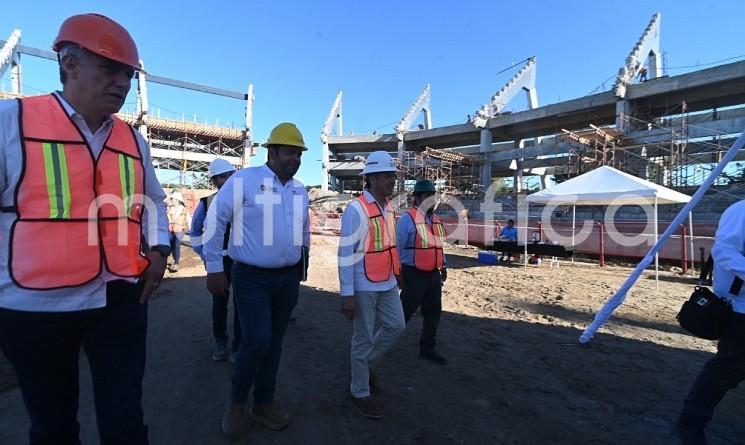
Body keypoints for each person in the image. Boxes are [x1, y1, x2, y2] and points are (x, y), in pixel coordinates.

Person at [0, 14, 169, 444]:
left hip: (118, 297)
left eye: (128, 75)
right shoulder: (11, 122)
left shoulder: (133, 140)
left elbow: (154, 202)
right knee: (53, 427)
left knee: (126, 421)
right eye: (109, 69)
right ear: (69, 62)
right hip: (34, 306)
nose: (121, 83)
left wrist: (159, 251)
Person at [205, 122, 310, 438]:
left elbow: (303, 229)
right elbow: (216, 220)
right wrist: (214, 268)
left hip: (287, 279)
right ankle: (237, 403)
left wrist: (303, 262)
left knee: (275, 342)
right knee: (257, 340)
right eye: (290, 153)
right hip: (251, 277)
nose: (295, 159)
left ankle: (263, 403)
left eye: (299, 154)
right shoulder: (244, 180)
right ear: (272, 151)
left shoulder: (300, 189)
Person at [338, 150, 406, 420]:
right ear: (372, 178)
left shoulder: (388, 206)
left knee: (396, 325)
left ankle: (365, 367)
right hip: (364, 284)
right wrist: (347, 295)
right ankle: (359, 392)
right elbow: (346, 254)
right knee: (363, 338)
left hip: (387, 281)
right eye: (388, 175)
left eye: (392, 175)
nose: (392, 180)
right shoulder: (356, 209)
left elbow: (389, 244)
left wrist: (398, 272)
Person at [677, 200, 745, 444]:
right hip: (740, 309)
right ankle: (691, 422)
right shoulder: (741, 210)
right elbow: (724, 251)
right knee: (726, 370)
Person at [190, 158, 240, 362]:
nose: (227, 180)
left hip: (241, 262)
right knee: (219, 304)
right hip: (219, 262)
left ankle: (238, 347)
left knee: (241, 305)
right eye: (222, 177)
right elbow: (194, 231)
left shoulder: (244, 202)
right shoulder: (206, 203)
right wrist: (205, 256)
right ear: (214, 181)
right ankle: (221, 344)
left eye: (230, 175)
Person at [397, 179, 448, 365]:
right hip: (414, 274)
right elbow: (397, 249)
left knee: (433, 312)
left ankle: (427, 348)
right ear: (416, 199)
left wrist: (444, 265)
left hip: (433, 274)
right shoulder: (407, 220)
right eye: (427, 196)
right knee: (403, 313)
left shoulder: (436, 220)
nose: (431, 200)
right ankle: (382, 341)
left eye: (433, 196)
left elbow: (440, 246)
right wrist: (398, 274)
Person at [167, 190, 188, 272]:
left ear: (178, 200)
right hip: (170, 230)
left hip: (179, 230)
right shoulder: (170, 209)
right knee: (171, 246)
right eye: (172, 199)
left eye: (174, 199)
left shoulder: (183, 209)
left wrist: (191, 228)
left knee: (177, 246)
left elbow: (188, 219)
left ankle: (176, 263)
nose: (172, 200)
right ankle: (173, 259)